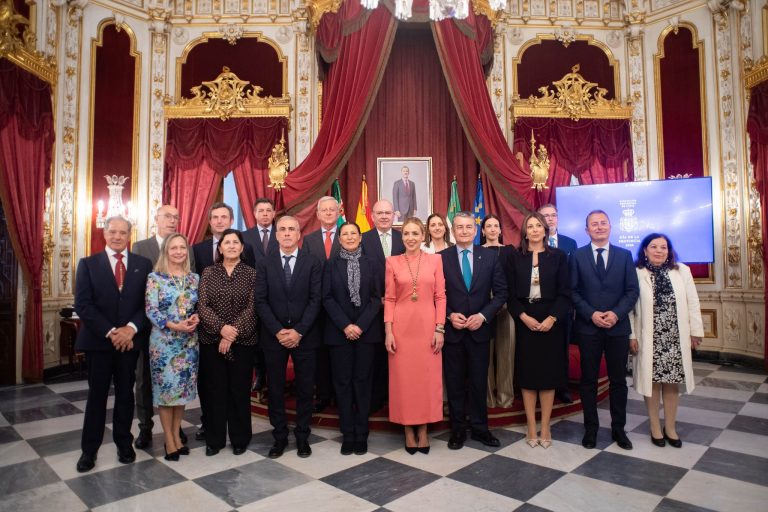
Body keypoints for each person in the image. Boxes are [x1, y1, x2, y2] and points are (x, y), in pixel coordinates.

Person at [73, 216, 153, 473]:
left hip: (130, 342)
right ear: (105, 234)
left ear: (129, 235)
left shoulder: (143, 264)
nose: (117, 236)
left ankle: (124, 443)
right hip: (99, 342)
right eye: (113, 232)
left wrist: (130, 329)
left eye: (122, 232)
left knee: (125, 395)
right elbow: (83, 305)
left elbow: (147, 304)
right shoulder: (88, 264)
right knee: (96, 396)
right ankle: (89, 450)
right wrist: (111, 332)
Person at [255, 215, 323, 459]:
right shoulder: (264, 262)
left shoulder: (312, 262)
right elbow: (260, 300)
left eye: (291, 229)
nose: (286, 233)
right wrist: (278, 331)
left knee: (305, 388)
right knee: (275, 388)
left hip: (305, 336)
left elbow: (316, 300)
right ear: (276, 235)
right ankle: (280, 437)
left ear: (299, 234)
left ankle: (303, 436)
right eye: (282, 229)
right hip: (274, 337)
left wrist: (299, 331)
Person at [571, 210, 639, 450]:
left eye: (603, 223)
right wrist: (591, 314)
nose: (599, 227)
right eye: (594, 224)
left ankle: (619, 429)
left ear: (610, 227)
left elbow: (632, 291)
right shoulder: (577, 256)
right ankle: (591, 429)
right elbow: (573, 291)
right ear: (587, 230)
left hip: (617, 328)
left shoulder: (624, 255)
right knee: (588, 381)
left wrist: (615, 314)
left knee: (618, 381)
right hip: (588, 328)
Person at [629, 233, 703, 448]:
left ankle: (670, 427)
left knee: (671, 383)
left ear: (669, 251)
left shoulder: (682, 271)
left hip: (674, 336)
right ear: (645, 250)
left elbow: (693, 302)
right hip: (648, 337)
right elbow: (630, 310)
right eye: (654, 246)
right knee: (651, 383)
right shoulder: (636, 273)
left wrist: (696, 331)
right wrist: (631, 335)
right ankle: (654, 427)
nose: (659, 251)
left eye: (664, 247)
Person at [441, 212, 507, 450]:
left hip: (480, 331)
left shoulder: (489, 257)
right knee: (455, 383)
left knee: (479, 383)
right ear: (453, 231)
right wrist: (449, 315)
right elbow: (436, 294)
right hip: (453, 332)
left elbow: (501, 293)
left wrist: (482, 316)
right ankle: (457, 430)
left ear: (475, 229)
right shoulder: (441, 258)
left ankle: (480, 429)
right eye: (460, 227)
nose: (465, 231)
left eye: (469, 227)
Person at [192, 202, 255, 441]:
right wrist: (221, 329)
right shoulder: (208, 272)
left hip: (243, 342)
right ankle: (215, 438)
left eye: (235, 242)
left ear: (241, 247)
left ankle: (240, 439)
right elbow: (202, 305)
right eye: (226, 242)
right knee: (214, 391)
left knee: (239, 391)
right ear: (220, 248)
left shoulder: (251, 274)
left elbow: (252, 308)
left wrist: (232, 333)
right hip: (212, 341)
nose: (230, 245)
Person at [507, 212, 571, 448]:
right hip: (525, 319)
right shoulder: (515, 258)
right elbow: (510, 294)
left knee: (547, 376)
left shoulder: (558, 257)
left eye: (538, 226)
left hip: (551, 320)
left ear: (545, 230)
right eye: (530, 226)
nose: (534, 230)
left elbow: (566, 292)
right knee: (528, 375)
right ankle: (531, 427)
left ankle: (545, 426)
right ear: (524, 231)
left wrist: (552, 318)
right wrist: (522, 317)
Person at [131, 205, 192, 449]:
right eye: (167, 216)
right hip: (151, 329)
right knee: (144, 379)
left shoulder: (184, 247)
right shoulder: (141, 247)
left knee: (178, 382)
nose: (173, 220)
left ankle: (175, 432)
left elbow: (189, 293)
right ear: (156, 218)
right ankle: (146, 427)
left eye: (176, 216)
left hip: (185, 334)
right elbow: (138, 292)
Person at [385, 217, 446, 454]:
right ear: (402, 238)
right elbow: (389, 298)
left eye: (415, 233)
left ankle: (423, 429)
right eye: (406, 234)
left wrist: (440, 328)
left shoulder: (435, 260)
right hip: (401, 329)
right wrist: (388, 331)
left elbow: (440, 296)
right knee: (404, 381)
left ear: (423, 236)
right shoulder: (392, 262)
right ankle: (408, 430)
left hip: (428, 327)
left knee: (426, 381)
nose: (411, 238)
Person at [322, 222, 381, 455]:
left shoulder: (372, 263)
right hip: (339, 333)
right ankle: (348, 433)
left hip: (366, 333)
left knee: (363, 382)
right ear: (339, 239)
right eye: (344, 234)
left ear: (360, 237)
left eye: (353, 233)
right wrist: (346, 325)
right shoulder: (330, 265)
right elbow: (326, 298)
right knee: (343, 383)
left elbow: (377, 298)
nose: (349, 237)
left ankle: (362, 432)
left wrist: (360, 325)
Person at [144, 233, 199, 461]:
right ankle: (169, 441)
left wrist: (196, 318)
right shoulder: (155, 277)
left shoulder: (194, 278)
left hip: (188, 343)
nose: (178, 251)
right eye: (173, 248)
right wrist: (173, 325)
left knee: (181, 393)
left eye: (182, 248)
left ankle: (177, 435)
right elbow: (151, 309)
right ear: (166, 251)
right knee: (167, 393)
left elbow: (198, 307)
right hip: (164, 344)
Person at [362, 199, 405, 411]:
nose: (385, 216)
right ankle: (376, 399)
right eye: (380, 213)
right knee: (376, 356)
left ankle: (397, 397)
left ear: (394, 215)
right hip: (373, 307)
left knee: (399, 353)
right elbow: (361, 273)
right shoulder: (363, 239)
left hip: (402, 308)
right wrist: (377, 297)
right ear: (372, 216)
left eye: (388, 212)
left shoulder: (403, 238)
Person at [303, 196, 342, 413]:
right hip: (316, 308)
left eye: (332, 210)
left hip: (341, 307)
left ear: (338, 213)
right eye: (324, 210)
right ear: (317, 214)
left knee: (339, 354)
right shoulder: (309, 240)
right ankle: (324, 394)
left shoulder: (348, 236)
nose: (328, 213)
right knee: (320, 354)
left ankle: (339, 393)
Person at [538, 203, 577, 404]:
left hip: (563, 307)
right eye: (545, 216)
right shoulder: (532, 243)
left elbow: (573, 277)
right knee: (542, 350)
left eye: (553, 215)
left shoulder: (570, 244)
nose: (550, 219)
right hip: (539, 307)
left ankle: (562, 387)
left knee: (562, 349)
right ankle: (539, 385)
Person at [241, 197, 279, 398]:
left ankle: (273, 375)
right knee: (254, 337)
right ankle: (259, 373)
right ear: (254, 214)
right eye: (261, 210)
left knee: (272, 337)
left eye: (268, 210)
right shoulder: (244, 236)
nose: (265, 214)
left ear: (274, 214)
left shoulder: (282, 234)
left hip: (278, 295)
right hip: (252, 295)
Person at [481, 214, 516, 408]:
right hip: (483, 310)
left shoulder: (511, 252)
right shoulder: (477, 251)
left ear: (501, 230)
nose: (493, 229)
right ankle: (488, 398)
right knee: (484, 355)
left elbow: (515, 280)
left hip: (506, 308)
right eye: (489, 226)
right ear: (483, 230)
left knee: (506, 354)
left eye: (496, 226)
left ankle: (505, 397)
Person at [193, 202, 256, 274]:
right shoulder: (197, 249)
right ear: (210, 222)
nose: (219, 221)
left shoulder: (246, 248)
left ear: (231, 221)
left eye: (224, 217)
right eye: (215, 217)